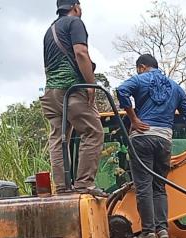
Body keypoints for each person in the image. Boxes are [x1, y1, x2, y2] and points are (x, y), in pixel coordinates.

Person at [117, 54, 186, 238]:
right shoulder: (176, 87)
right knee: (159, 187)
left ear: (141, 67)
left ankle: (148, 232)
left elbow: (121, 90)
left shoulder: (139, 80)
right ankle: (162, 230)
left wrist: (133, 119)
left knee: (143, 187)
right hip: (164, 140)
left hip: (142, 138)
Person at [40, 0, 105, 196]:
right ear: (75, 7)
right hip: (72, 90)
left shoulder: (49, 31)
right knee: (93, 132)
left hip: (51, 92)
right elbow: (81, 52)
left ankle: (62, 188)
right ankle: (84, 185)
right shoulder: (74, 23)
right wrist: (90, 84)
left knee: (58, 139)